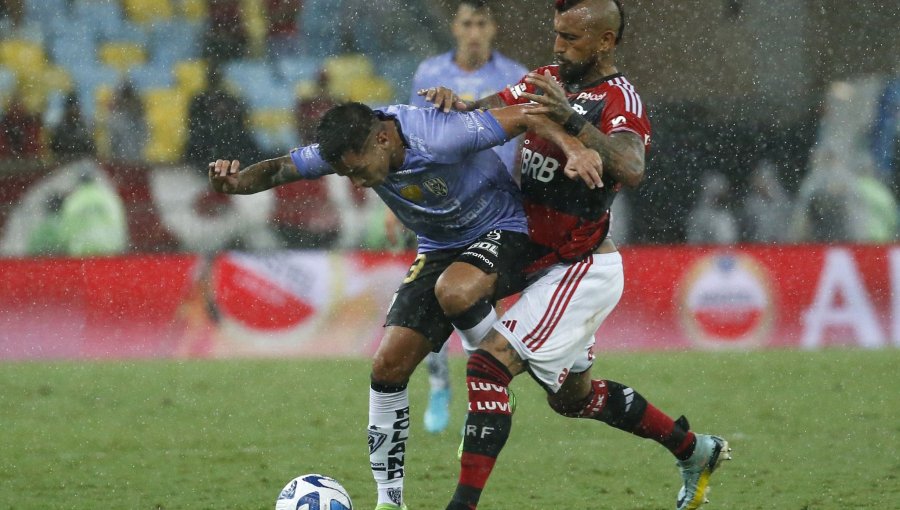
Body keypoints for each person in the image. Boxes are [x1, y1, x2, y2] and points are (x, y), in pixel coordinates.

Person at [208, 101, 601, 510]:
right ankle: (389, 501)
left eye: (358, 171)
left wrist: (574, 149)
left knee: (456, 291)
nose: (358, 184)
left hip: (502, 230)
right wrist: (236, 184)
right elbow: (280, 168)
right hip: (439, 249)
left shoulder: (440, 135)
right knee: (387, 367)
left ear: (382, 138)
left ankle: (493, 378)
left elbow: (528, 114)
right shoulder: (347, 145)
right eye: (346, 174)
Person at [419, 1, 731, 509]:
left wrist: (575, 125)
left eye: (570, 38)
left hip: (580, 269)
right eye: (556, 34)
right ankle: (695, 450)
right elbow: (489, 113)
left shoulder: (620, 98)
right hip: (534, 263)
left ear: (605, 42)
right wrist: (457, 105)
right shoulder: (546, 78)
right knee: (575, 400)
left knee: (487, 367)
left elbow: (631, 166)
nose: (557, 47)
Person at [408, 0, 530, 434]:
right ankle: (440, 384)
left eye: (481, 23)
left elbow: (524, 135)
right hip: (442, 202)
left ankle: (482, 400)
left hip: (495, 205)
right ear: (455, 29)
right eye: (466, 23)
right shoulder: (429, 73)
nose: (474, 31)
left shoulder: (514, 74)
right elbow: (411, 135)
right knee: (432, 301)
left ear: (492, 28)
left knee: (481, 309)